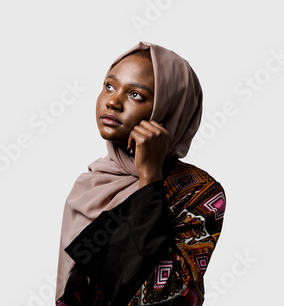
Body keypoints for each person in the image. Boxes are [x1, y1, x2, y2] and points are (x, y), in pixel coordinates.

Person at [55, 41, 226, 305]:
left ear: (169, 111)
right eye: (109, 86)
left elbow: (165, 295)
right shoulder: (91, 184)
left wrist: (149, 181)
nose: (112, 102)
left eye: (136, 95)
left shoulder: (198, 192)